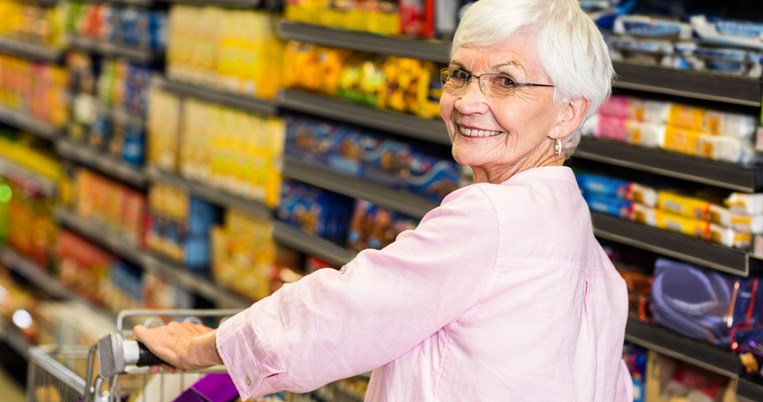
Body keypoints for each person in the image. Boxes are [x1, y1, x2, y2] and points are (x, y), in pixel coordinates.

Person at [133, 0, 633, 400]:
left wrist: (205, 348)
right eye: (459, 74)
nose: (465, 101)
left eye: (506, 81)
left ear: (568, 114)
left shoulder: (493, 217)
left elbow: (348, 310)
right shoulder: (590, 255)